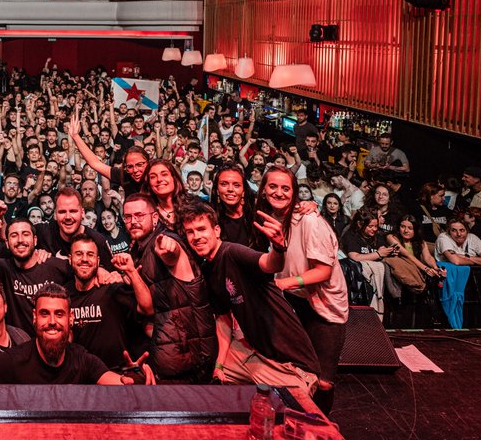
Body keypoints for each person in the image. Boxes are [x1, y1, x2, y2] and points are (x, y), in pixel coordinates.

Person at [178, 199, 320, 395]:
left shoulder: (233, 252)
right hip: (255, 356)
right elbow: (224, 319)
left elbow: (269, 264)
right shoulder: (208, 270)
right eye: (190, 232)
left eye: (202, 229)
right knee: (209, 382)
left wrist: (278, 248)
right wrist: (219, 366)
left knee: (286, 420)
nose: (196, 236)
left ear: (216, 230)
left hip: (291, 367)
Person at [255, 166, 348, 412]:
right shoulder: (274, 218)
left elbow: (323, 272)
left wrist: (284, 283)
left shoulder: (309, 220)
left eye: (286, 188)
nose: (279, 192)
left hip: (325, 307)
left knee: (324, 381)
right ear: (263, 190)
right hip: (297, 301)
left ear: (295, 193)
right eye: (272, 186)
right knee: (297, 374)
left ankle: (322, 426)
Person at [0, 284, 154, 385]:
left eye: (59, 314)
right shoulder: (11, 361)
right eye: (45, 314)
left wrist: (134, 378)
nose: (52, 322)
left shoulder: (82, 359)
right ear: (34, 318)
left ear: (70, 319)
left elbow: (117, 382)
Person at [123, 193, 216, 381]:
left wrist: (169, 250)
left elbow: (172, 252)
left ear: (155, 217)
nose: (133, 221)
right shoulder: (138, 250)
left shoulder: (163, 240)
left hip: (191, 357)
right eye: (128, 217)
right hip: (172, 352)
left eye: (139, 215)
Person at [66, 236, 153, 369]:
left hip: (115, 374)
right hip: (81, 376)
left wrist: (131, 272)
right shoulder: (64, 296)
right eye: (79, 254)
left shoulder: (112, 290)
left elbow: (148, 308)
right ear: (70, 259)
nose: (84, 259)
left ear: (98, 260)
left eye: (90, 254)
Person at [434, 215, 481, 329]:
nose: (459, 234)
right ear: (449, 232)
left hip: (469, 286)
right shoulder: (443, 238)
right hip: (447, 282)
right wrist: (475, 259)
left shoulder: (472, 238)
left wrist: (467, 257)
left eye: (462, 230)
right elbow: (456, 261)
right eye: (454, 230)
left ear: (467, 230)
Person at [68, 114, 149, 196]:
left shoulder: (154, 174)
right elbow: (95, 163)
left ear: (148, 162)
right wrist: (75, 136)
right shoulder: (125, 176)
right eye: (130, 166)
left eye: (139, 165)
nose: (135, 170)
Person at [36, 187, 115, 267]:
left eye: (73, 211)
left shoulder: (98, 241)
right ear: (55, 215)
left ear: (82, 213)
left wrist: (100, 271)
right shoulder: (43, 233)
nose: (68, 217)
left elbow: (113, 275)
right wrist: (35, 253)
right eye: (62, 212)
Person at [339, 207, 396, 318]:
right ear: (360, 224)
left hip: (379, 279)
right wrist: (378, 254)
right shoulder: (351, 235)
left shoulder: (378, 236)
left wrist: (390, 252)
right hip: (358, 282)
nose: (374, 229)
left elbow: (382, 251)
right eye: (370, 226)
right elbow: (354, 257)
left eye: (375, 226)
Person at [142, 158, 187, 232]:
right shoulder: (146, 212)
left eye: (164, 174)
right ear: (149, 184)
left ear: (174, 178)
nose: (159, 179)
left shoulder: (193, 206)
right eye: (153, 177)